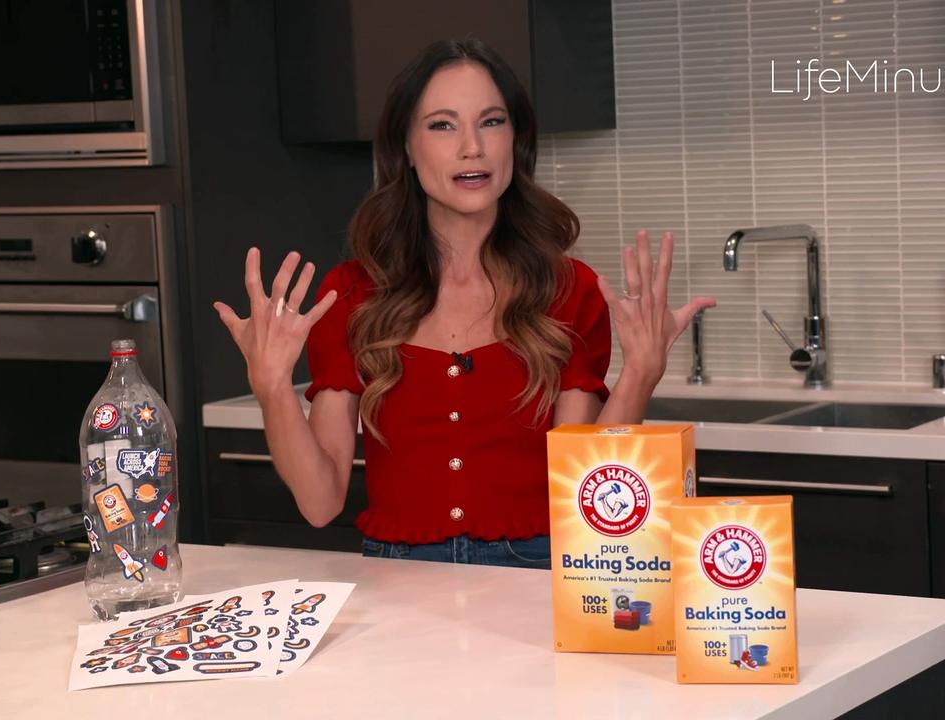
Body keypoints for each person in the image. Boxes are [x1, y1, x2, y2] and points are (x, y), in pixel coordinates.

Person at [214, 38, 714, 568]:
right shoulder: (354, 293)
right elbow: (319, 504)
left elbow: (585, 498)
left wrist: (642, 372)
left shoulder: (569, 289)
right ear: (405, 148)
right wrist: (271, 387)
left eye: (492, 121)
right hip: (398, 575)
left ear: (515, 141)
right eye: (443, 125)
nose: (472, 146)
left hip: (539, 574)